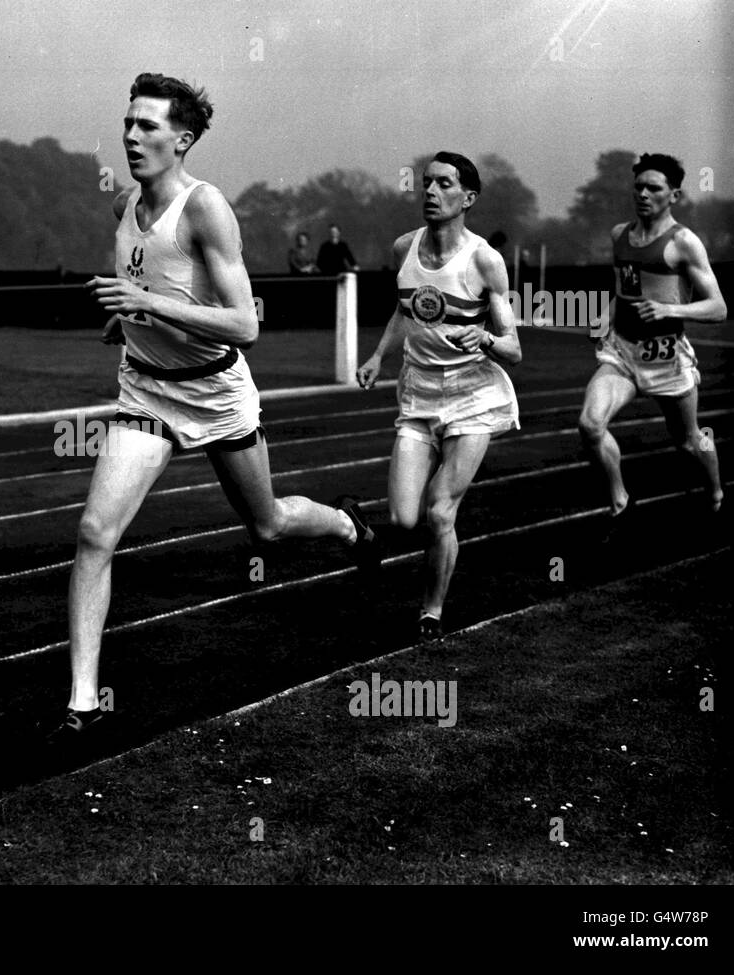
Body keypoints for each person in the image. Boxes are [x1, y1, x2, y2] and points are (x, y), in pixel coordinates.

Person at [47, 73, 380, 744]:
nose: (131, 135)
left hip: (216, 391)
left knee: (267, 527)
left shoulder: (205, 209)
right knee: (94, 533)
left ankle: (346, 524)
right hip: (146, 392)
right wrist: (123, 321)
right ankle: (84, 699)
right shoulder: (123, 207)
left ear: (183, 140)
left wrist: (145, 305)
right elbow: (144, 288)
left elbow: (242, 323)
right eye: (129, 121)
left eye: (147, 126)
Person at [356, 152, 521, 642]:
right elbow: (404, 312)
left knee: (439, 511)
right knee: (402, 517)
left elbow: (513, 347)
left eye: (443, 184)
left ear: (467, 198)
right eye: (426, 182)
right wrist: (377, 357)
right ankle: (362, 528)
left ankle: (431, 612)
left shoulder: (484, 260)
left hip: (472, 396)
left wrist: (487, 339)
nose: (429, 191)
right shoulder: (404, 247)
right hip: (418, 393)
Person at [578, 153, 727, 527]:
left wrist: (670, 311)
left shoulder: (684, 243)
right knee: (591, 424)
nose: (643, 194)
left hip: (667, 358)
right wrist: (607, 316)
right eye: (639, 187)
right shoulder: (620, 236)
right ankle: (620, 502)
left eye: (654, 188)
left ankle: (715, 490)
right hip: (623, 354)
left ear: (673, 195)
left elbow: (718, 308)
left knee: (689, 439)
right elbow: (625, 291)